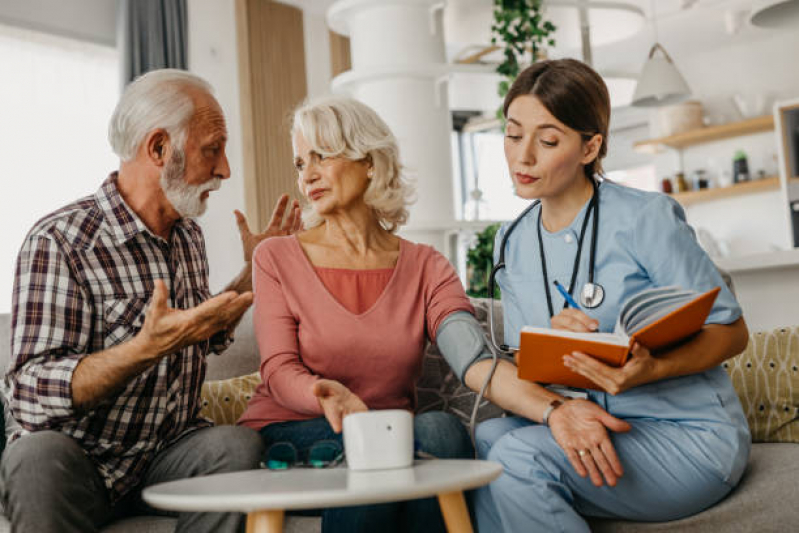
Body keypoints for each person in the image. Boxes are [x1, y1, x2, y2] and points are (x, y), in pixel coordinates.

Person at [443, 59, 751, 532]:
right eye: (512, 134)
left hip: (685, 435)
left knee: (518, 454)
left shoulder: (644, 218)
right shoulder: (513, 241)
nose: (523, 157)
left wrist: (654, 367)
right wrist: (551, 344)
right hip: (591, 421)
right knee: (488, 434)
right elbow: (527, 364)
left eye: (547, 141)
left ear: (590, 147)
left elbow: (732, 333)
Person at [1, 69, 301, 533]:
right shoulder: (59, 241)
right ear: (159, 148)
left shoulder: (188, 236)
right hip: (79, 460)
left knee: (235, 448)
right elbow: (28, 393)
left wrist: (255, 273)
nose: (225, 169)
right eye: (212, 148)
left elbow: (196, 333)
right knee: (34, 457)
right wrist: (144, 348)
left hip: (164, 455)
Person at [237, 96, 477, 533]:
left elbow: (467, 341)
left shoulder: (425, 265)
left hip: (393, 430)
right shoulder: (277, 257)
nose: (306, 175)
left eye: (321, 156)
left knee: (442, 431)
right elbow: (277, 368)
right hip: (299, 428)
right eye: (299, 163)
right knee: (373, 447)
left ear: (369, 161)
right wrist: (323, 394)